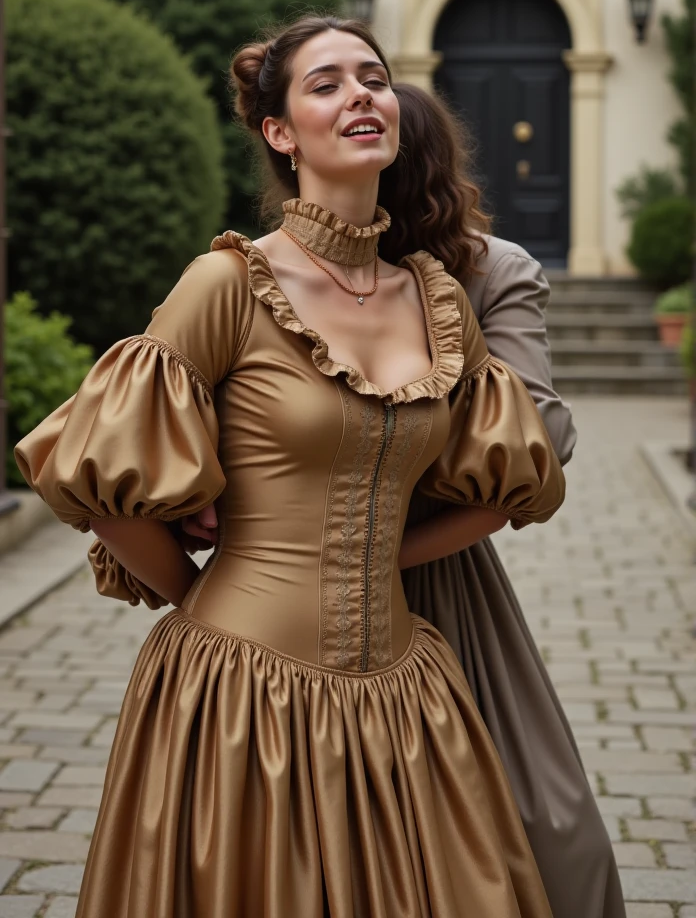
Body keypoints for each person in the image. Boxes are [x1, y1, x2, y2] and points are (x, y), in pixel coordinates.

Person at [16, 15, 566, 917]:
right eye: (327, 83)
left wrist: (379, 559)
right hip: (237, 695)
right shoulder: (226, 285)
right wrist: (197, 599)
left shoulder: (436, 300)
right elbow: (93, 479)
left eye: (375, 78)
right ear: (280, 132)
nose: (362, 94)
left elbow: (506, 490)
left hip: (406, 691)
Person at [183, 83, 627, 917]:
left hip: (435, 567)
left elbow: (542, 440)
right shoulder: (256, 277)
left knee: (539, 822)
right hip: (277, 599)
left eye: (387, 138)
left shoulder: (487, 273)